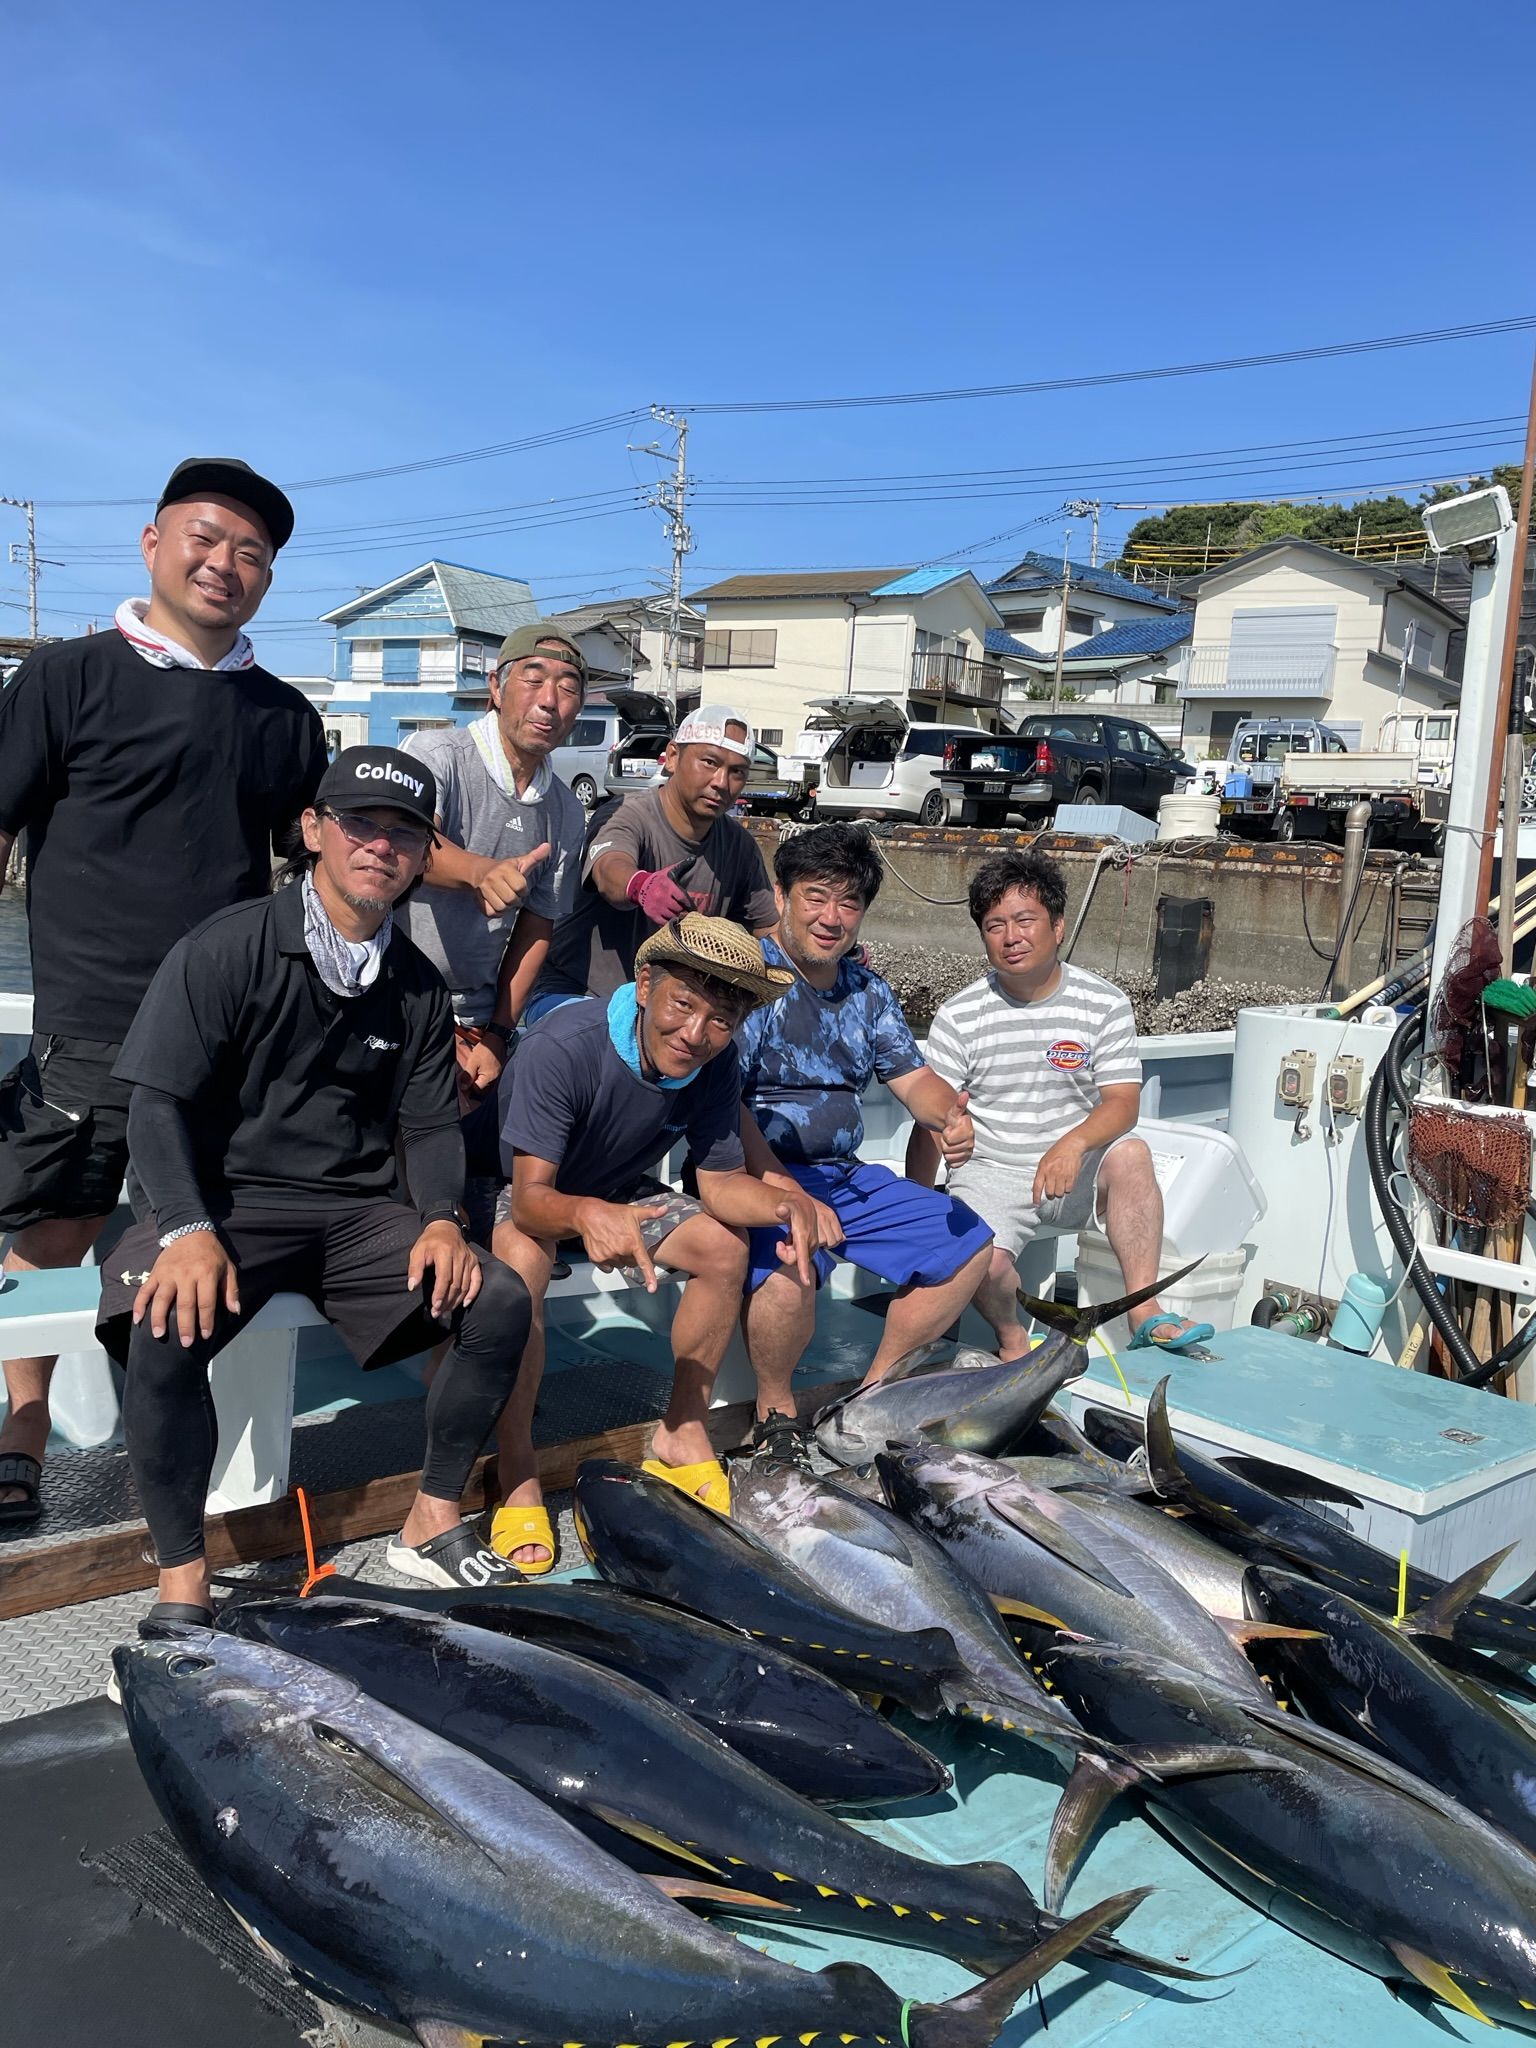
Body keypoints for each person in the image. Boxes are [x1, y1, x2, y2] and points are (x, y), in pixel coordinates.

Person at [94, 746, 532, 1620]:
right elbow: (155, 1105)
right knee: (158, 1320)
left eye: (404, 832)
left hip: (355, 1213)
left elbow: (429, 1125)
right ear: (313, 830)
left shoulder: (416, 985)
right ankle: (183, 1577)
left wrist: (440, 1219)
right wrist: (185, 1227)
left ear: (424, 854)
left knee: (499, 1299)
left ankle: (430, 1518)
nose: (380, 845)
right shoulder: (226, 948)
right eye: (360, 823)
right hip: (224, 1202)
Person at [0, 457, 330, 1526]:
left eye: (252, 553)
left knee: (206, 1232)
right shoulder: (65, 677)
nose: (225, 563)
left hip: (229, 1034)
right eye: (205, 537)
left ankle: (189, 1456)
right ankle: (23, 1426)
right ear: (153, 544)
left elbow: (317, 865)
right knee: (57, 1226)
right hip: (90, 1022)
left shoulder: (283, 714)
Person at [490, 914, 816, 1564]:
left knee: (724, 1247)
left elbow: (720, 1184)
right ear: (644, 985)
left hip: (613, 1186)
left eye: (721, 1020)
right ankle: (516, 1466)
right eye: (682, 1005)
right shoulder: (564, 1046)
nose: (695, 1034)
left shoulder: (714, 1065)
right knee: (523, 1260)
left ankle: (682, 1430)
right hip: (510, 1185)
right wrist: (586, 1215)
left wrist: (785, 1204)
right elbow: (528, 1200)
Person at [736, 823, 993, 1456]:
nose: (831, 917)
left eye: (848, 903)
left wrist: (949, 1117)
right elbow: (722, 1106)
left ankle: (872, 1396)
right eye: (816, 897)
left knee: (969, 1244)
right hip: (753, 1170)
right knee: (792, 1257)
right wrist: (784, 1189)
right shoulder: (747, 979)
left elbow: (913, 1078)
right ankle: (774, 1411)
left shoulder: (868, 991)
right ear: (781, 896)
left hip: (844, 1174)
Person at [910, 848, 1210, 1360]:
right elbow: (932, 1116)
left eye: (1025, 920)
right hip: (992, 1171)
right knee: (982, 1260)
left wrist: (1072, 1144)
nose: (1011, 937)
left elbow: (1123, 1102)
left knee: (1133, 1154)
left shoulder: (1104, 1002)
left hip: (1079, 1168)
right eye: (995, 925)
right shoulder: (960, 1015)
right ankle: (1012, 1338)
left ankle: (1144, 1309)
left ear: (1058, 926)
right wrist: (918, 1206)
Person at [398, 624, 588, 1230]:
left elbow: (537, 927)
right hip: (396, 999)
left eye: (568, 687)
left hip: (477, 1016)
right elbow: (404, 845)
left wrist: (499, 1035)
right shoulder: (437, 756)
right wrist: (480, 872)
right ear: (496, 687)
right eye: (533, 679)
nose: (549, 700)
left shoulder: (566, 809)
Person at [529, 705, 776, 1016]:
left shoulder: (739, 845)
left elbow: (768, 929)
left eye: (737, 772)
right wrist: (641, 885)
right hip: (578, 995)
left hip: (667, 1012)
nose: (721, 782)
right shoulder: (626, 813)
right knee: (619, 1038)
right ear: (672, 757)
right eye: (709, 762)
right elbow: (609, 867)